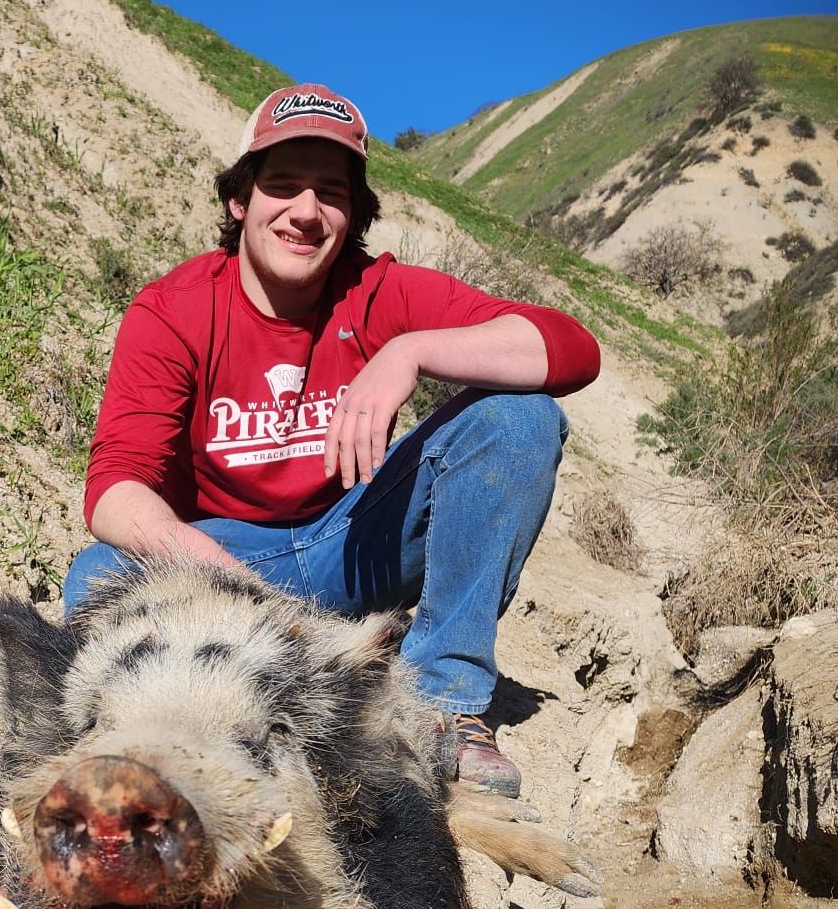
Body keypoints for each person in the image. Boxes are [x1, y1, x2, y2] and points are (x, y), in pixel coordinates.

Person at [62, 83, 601, 796]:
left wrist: (408, 353)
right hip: (228, 560)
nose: (306, 212)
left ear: (354, 213)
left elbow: (569, 349)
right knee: (94, 574)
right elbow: (115, 490)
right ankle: (196, 709)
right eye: (282, 185)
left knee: (519, 418)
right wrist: (236, 586)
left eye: (331, 191)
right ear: (240, 200)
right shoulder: (173, 311)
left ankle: (446, 704)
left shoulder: (378, 293)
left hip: (354, 545)